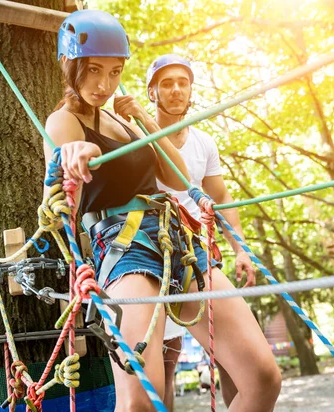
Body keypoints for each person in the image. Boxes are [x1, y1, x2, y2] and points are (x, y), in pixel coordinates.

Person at [45, 10, 281, 412]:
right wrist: (68, 159)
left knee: (263, 378)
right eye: (93, 70)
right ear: (70, 66)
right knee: (141, 401)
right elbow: (60, 210)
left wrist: (138, 118)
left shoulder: (121, 117)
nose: (105, 84)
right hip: (125, 248)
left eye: (115, 71)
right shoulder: (62, 122)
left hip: (177, 240)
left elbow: (176, 177)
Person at [147, 54, 256, 409]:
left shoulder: (204, 143)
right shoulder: (140, 136)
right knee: (164, 363)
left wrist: (240, 248)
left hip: (199, 253)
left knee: (231, 358)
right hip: (155, 252)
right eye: (167, 83)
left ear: (191, 89)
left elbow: (219, 198)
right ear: (152, 92)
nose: (176, 89)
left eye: (183, 82)